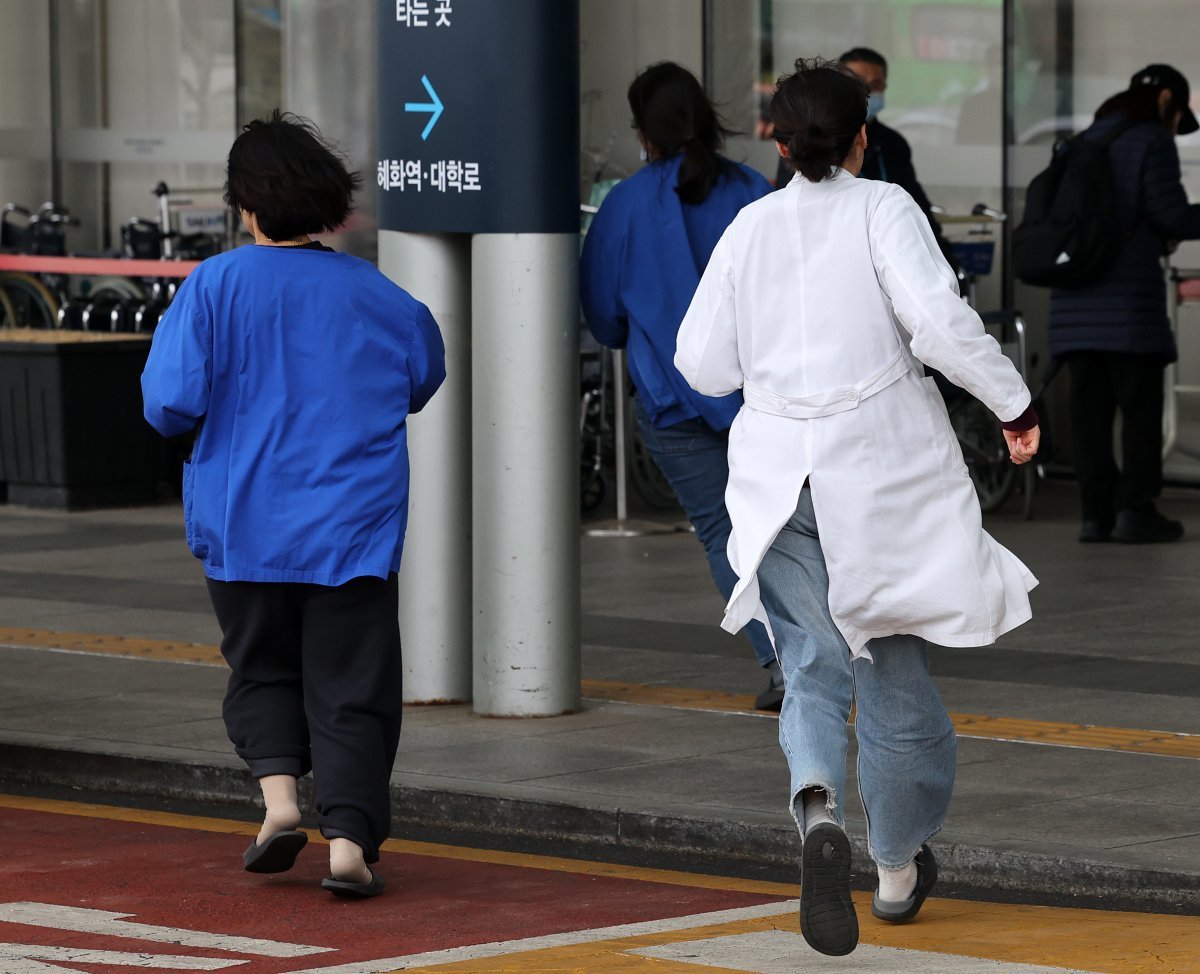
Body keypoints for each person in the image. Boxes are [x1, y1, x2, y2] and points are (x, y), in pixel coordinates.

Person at [676, 59, 1039, 956]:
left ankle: (815, 812)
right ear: (863, 135)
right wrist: (1014, 407)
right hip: (879, 474)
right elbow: (941, 324)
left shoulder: (748, 227)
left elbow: (700, 364)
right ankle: (896, 867)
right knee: (892, 665)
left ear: (778, 137)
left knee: (808, 664)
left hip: (778, 481)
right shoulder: (884, 209)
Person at [141, 111, 446, 898]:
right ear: (328, 204)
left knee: (260, 666)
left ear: (245, 205)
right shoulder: (381, 295)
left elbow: (168, 405)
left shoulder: (211, 286)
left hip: (241, 521)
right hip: (352, 527)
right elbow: (422, 378)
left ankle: (279, 805)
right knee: (351, 683)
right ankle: (349, 844)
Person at [580, 62, 782, 709]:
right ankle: (820, 656)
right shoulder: (753, 190)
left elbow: (605, 318)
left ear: (644, 133)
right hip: (767, 402)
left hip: (673, 408)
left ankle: (778, 664)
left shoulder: (624, 205)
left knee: (722, 535)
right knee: (789, 529)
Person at [1048, 64, 1200, 544]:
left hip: (1073, 303)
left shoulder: (1086, 139)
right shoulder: (1150, 140)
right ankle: (1135, 510)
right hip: (1128, 305)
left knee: (1090, 414)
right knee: (1138, 412)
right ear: (1168, 101)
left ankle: (1096, 515)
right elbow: (1168, 210)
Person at [775, 47, 959, 270]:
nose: (868, 91)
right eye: (859, 83)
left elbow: (918, 209)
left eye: (876, 84)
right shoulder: (802, 142)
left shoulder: (892, 147)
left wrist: (945, 259)